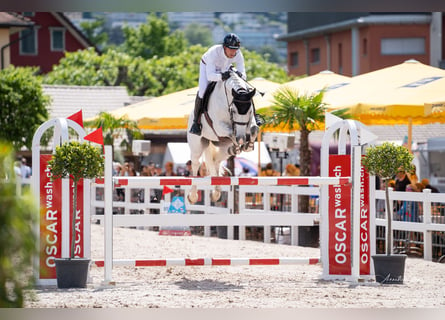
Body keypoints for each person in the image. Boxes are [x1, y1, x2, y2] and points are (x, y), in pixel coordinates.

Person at [189, 33, 263, 136]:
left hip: (226, 68)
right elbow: (211, 76)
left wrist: (239, 74)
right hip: (208, 67)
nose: (233, 52)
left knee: (245, 89)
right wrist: (222, 76)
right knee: (202, 91)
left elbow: (244, 75)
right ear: (224, 47)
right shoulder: (213, 53)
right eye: (231, 49)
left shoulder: (238, 54)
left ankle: (255, 116)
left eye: (235, 49)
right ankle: (196, 122)